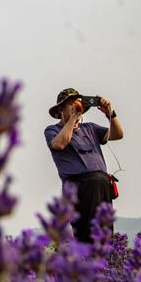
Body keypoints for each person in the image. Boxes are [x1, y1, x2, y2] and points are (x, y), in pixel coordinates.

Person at [44, 88, 124, 243]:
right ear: (61, 109)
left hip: (102, 185)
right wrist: (73, 118)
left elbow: (117, 134)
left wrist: (110, 114)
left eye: (77, 103)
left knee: (105, 234)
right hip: (80, 186)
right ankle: (87, 262)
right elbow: (59, 144)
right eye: (70, 104)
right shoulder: (53, 130)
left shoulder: (90, 128)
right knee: (87, 234)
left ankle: (105, 265)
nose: (75, 107)